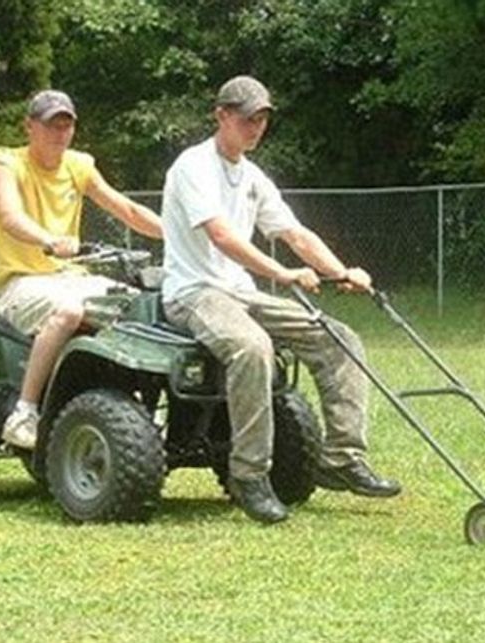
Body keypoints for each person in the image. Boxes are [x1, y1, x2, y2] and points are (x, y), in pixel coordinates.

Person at [160, 75, 401, 524]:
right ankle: (249, 476)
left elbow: (294, 234)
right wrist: (281, 272)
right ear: (222, 116)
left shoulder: (252, 176)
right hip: (194, 293)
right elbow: (222, 236)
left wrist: (342, 271)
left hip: (241, 292)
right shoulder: (192, 167)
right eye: (248, 118)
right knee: (252, 348)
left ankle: (343, 458)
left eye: (263, 118)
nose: (257, 127)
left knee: (338, 337)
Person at [0, 89, 163, 450]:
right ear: (30, 127)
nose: (60, 133)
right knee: (68, 312)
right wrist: (49, 240)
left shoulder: (79, 165)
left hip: (70, 278)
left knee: (145, 306)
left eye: (67, 125)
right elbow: (9, 216)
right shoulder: (6, 162)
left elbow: (126, 209)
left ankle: (147, 408)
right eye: (52, 125)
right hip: (20, 281)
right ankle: (25, 412)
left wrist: (177, 233)